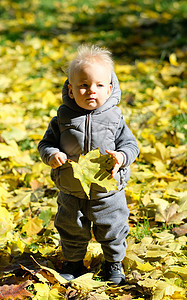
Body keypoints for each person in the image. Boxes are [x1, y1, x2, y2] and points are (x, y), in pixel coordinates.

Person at [38, 45, 139, 285]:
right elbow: (45, 143)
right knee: (71, 227)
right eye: (83, 85)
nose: (91, 91)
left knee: (112, 228)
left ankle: (113, 263)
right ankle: (73, 263)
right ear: (71, 90)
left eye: (99, 85)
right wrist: (52, 154)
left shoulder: (115, 118)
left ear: (110, 88)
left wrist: (121, 157)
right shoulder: (63, 117)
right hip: (72, 189)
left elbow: (131, 146)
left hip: (108, 190)